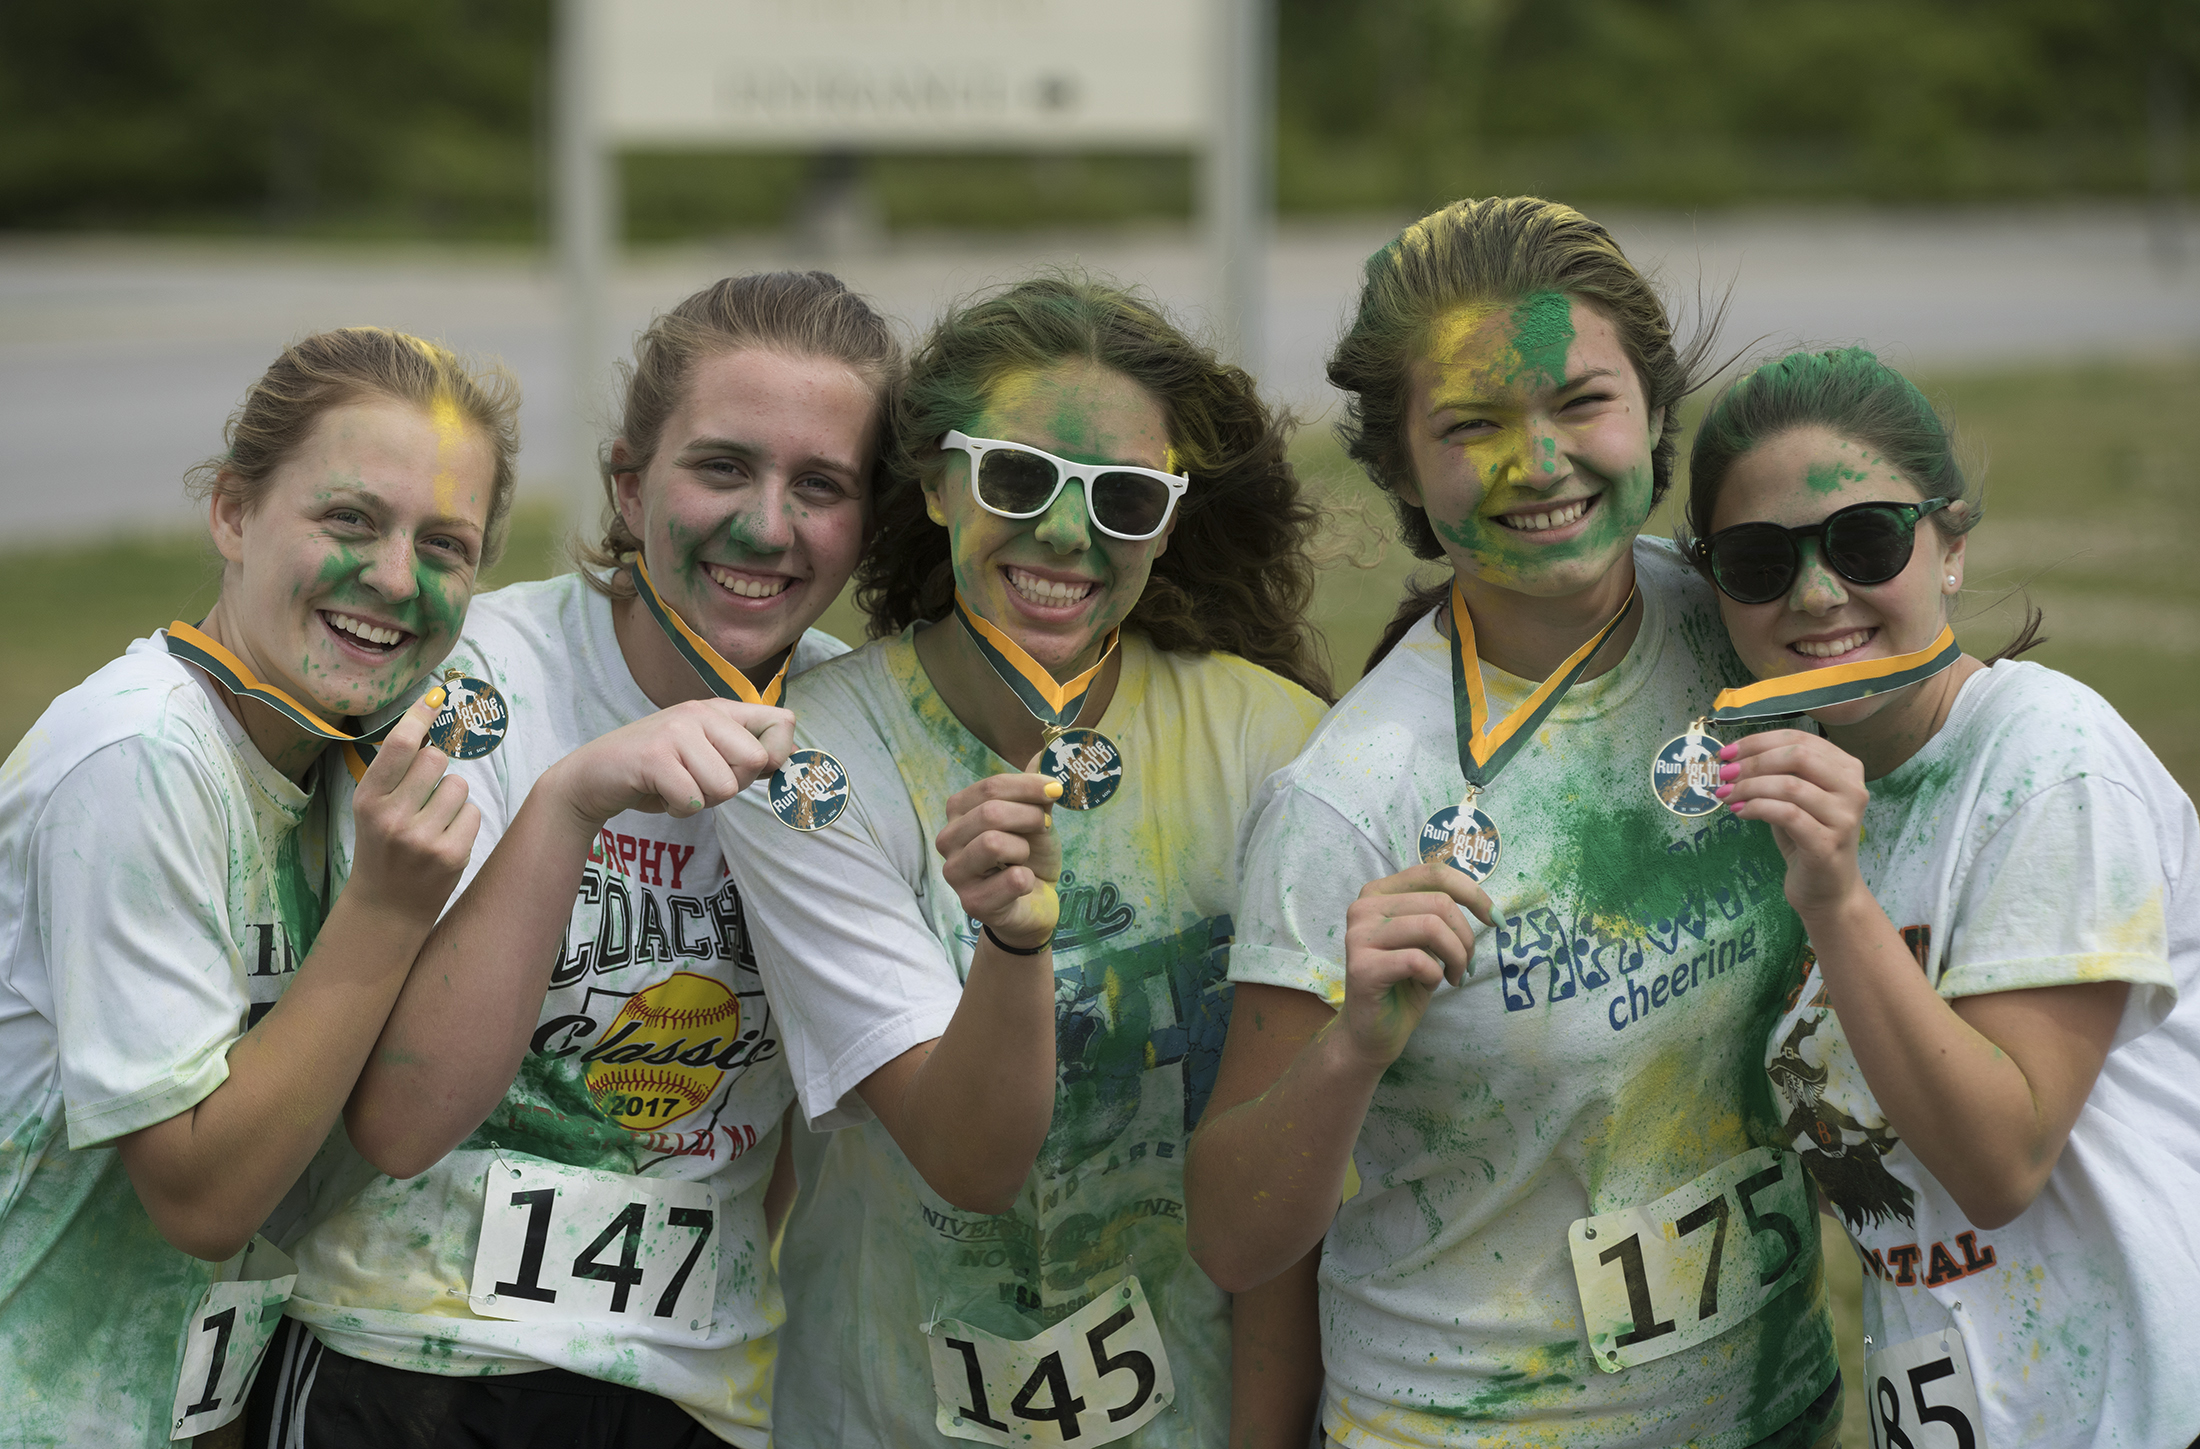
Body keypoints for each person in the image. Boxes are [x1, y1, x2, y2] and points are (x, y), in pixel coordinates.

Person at [1185, 197, 1844, 1448]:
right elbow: (1233, 1232)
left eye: (1580, 405)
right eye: (1472, 426)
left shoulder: (1742, 631)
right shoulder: (1349, 798)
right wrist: (1350, 1051)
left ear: (1654, 416)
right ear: (1401, 472)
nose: (1537, 463)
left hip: (1777, 1406)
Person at [255, 271, 901, 1449]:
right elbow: (400, 1125)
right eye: (721, 466)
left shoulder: (852, 733)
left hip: (692, 1394)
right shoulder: (474, 678)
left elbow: (804, 1131)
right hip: (404, 1358)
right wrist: (572, 802)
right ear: (626, 478)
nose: (766, 523)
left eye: (821, 486)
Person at [716, 274, 1334, 1448]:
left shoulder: (1275, 747)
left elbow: (1278, 1223)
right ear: (940, 485)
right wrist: (1012, 941)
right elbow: (967, 1158)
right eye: (1015, 478)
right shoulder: (810, 760)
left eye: (1124, 500)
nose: (1065, 534)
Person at [0, 328, 517, 1446]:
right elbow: (201, 1198)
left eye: (445, 545)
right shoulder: (140, 756)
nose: (392, 577)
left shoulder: (336, 752)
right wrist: (385, 912)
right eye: (348, 520)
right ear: (233, 514)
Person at [1684, 346, 2200, 1448]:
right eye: (1758, 560)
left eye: (1867, 540)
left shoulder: (2049, 762)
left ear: (1951, 547)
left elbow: (1996, 1164)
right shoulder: (1807, 782)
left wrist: (1836, 901)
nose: (1818, 593)